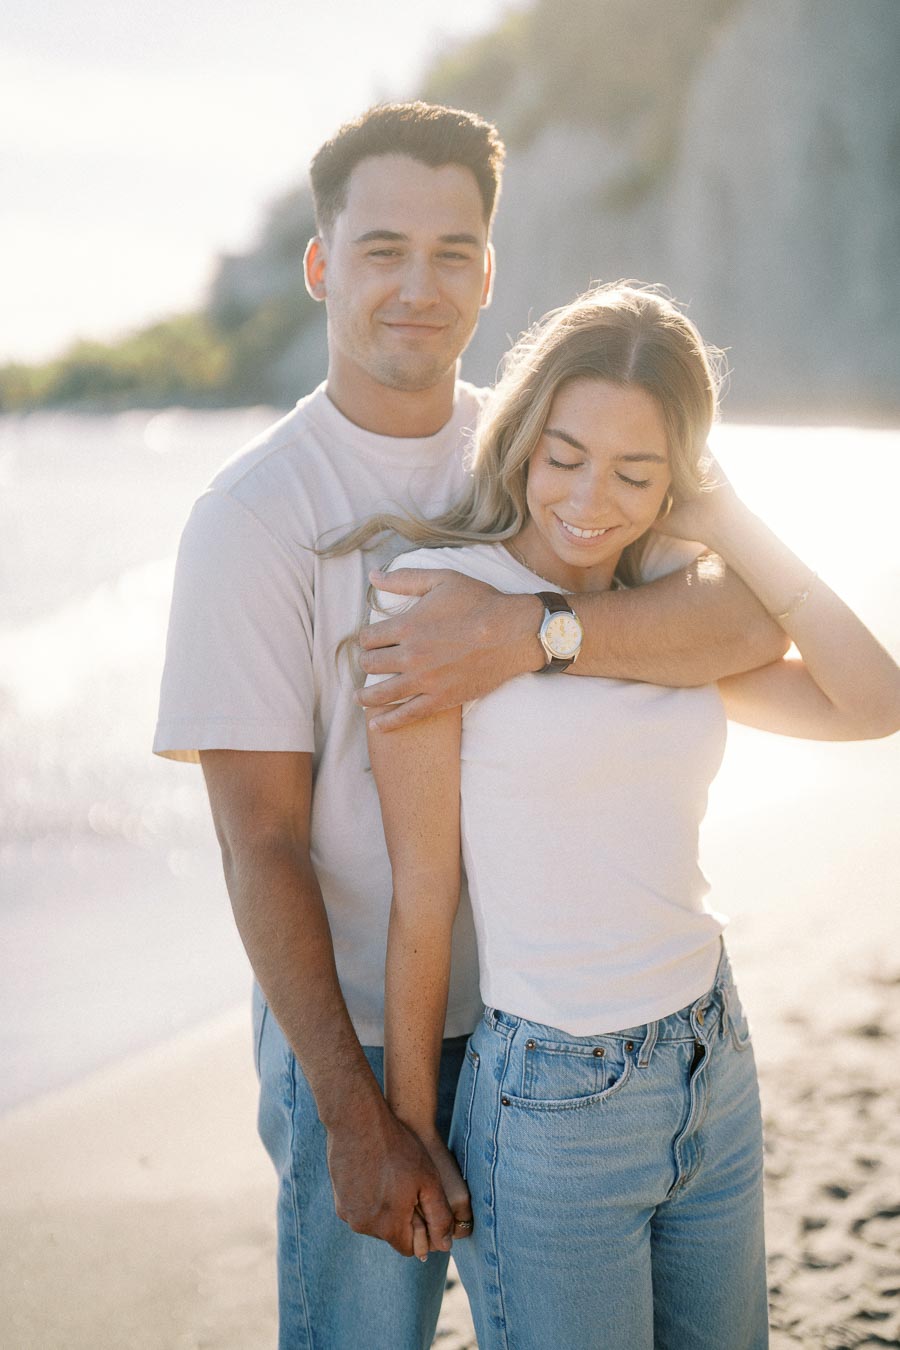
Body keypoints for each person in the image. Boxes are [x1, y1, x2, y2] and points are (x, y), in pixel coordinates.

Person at [153, 102, 789, 1350]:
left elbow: (737, 621)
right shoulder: (254, 518)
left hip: (559, 1035)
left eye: (454, 253)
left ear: (490, 274)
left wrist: (534, 633)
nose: (417, 285)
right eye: (382, 248)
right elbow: (261, 845)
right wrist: (352, 1111)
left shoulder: (548, 446)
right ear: (321, 262)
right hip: (363, 1033)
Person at [361, 283, 900, 1348]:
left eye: (637, 472)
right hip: (553, 1100)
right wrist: (410, 1122)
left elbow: (872, 700)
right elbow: (425, 895)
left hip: (711, 1048)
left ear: (678, 479)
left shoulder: (674, 606)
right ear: (520, 437)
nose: (589, 499)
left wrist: (727, 521)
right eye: (564, 455)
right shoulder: (437, 602)